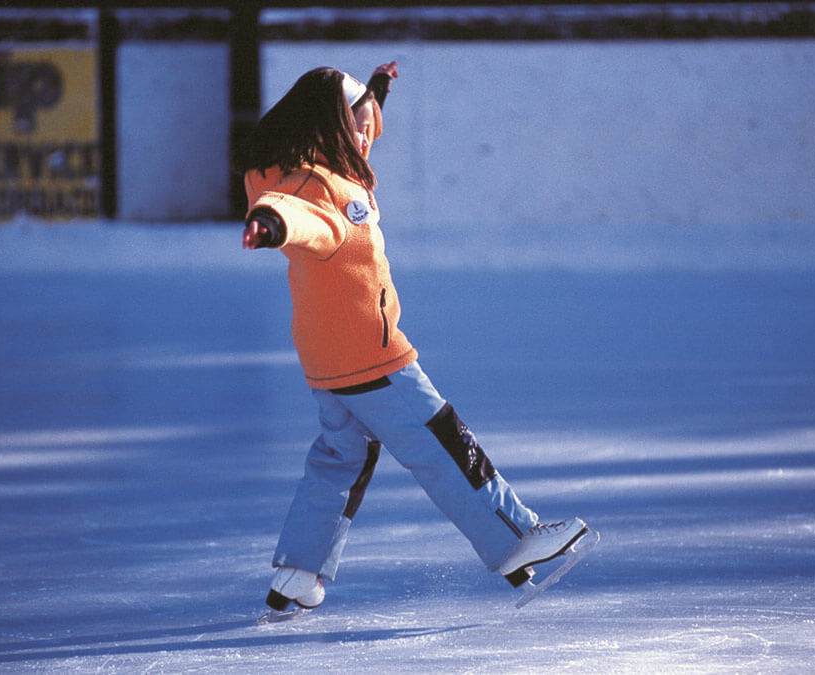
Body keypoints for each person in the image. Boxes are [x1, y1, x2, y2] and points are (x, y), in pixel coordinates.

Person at [234, 62, 591, 613]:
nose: (364, 133)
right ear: (326, 125)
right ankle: (516, 540)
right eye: (353, 123)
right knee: (443, 442)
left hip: (327, 359)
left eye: (366, 123)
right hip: (370, 357)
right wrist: (271, 224)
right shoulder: (314, 187)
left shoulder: (331, 165)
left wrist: (373, 95)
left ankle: (297, 574)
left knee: (339, 459)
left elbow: (343, 151)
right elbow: (297, 212)